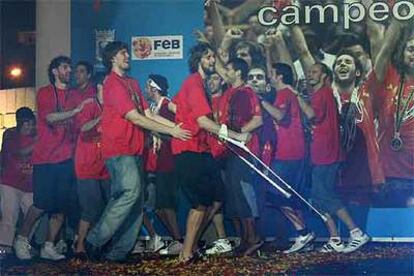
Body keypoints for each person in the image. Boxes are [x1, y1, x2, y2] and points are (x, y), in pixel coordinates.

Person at [84, 41, 191, 263]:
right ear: (112, 58)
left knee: (135, 201)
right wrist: (170, 130)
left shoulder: (131, 82)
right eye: (123, 53)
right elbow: (135, 117)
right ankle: (94, 240)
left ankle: (118, 253)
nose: (127, 56)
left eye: (126, 53)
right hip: (119, 150)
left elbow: (148, 114)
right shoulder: (112, 84)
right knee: (130, 193)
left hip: (135, 151)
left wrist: (173, 129)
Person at [171, 43, 248, 263]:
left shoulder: (199, 85)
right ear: (197, 60)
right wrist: (234, 135)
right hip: (189, 150)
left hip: (202, 150)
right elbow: (203, 120)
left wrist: (184, 118)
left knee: (217, 196)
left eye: (213, 56)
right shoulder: (194, 84)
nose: (212, 60)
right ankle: (187, 253)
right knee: (201, 202)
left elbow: (176, 106)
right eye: (208, 57)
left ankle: (191, 244)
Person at [14, 56, 92, 261]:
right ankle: (21, 239)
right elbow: (49, 117)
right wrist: (75, 111)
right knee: (41, 204)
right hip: (46, 159)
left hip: (66, 158)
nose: (70, 71)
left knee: (62, 206)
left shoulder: (74, 95)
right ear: (55, 71)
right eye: (65, 67)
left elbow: (79, 125)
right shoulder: (45, 92)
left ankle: (49, 245)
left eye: (70, 67)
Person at [303, 63, 369, 253]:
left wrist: (297, 97)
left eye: (314, 71)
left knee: (325, 195)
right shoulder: (319, 95)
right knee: (318, 197)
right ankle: (335, 239)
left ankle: (356, 233)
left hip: (327, 155)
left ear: (325, 76)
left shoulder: (322, 93)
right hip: (320, 155)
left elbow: (312, 115)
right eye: (309, 71)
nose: (310, 74)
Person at [261, 63, 314, 253]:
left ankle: (303, 231)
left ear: (280, 77)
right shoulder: (285, 94)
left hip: (288, 153)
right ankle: (304, 236)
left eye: (272, 74)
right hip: (293, 152)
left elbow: (281, 116)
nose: (269, 78)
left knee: (276, 194)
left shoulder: (284, 93)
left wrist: (262, 102)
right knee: (289, 195)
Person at [219, 58, 263, 256]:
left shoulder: (245, 93)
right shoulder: (231, 93)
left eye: (228, 69)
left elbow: (257, 120)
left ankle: (253, 238)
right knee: (236, 196)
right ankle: (245, 239)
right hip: (232, 152)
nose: (225, 72)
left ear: (237, 72)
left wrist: (239, 135)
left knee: (244, 195)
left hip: (244, 153)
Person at [374, 21, 414, 207]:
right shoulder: (390, 78)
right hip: (388, 173)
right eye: (411, 49)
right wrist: (399, 17)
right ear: (402, 53)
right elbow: (383, 50)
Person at [72, 73, 110, 258]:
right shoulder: (88, 105)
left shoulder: (112, 105)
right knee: (90, 208)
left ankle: (96, 244)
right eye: (106, 85)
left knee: (108, 207)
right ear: (98, 87)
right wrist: (101, 118)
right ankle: (79, 246)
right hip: (86, 166)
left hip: (106, 166)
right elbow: (83, 128)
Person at [0, 108, 36, 257]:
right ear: (19, 123)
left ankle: (23, 242)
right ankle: (4, 247)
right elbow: (21, 152)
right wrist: (39, 141)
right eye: (25, 124)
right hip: (10, 182)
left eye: (31, 124)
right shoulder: (10, 134)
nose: (28, 127)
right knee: (10, 216)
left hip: (30, 185)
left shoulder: (37, 134)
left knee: (33, 215)